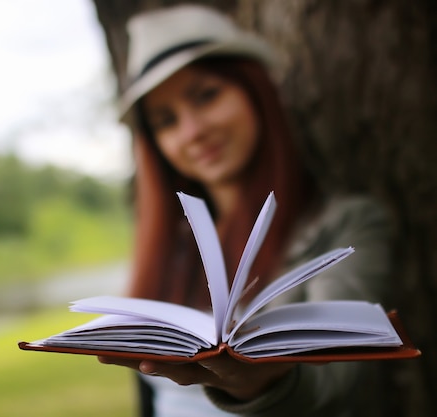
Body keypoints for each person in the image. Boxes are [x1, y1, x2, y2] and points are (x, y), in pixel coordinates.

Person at [97, 4, 394, 417]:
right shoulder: (173, 249)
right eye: (166, 120)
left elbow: (337, 381)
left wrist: (261, 381)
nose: (192, 132)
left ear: (256, 92)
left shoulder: (344, 226)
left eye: (206, 95)